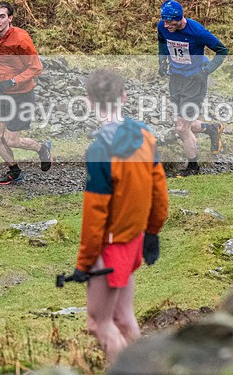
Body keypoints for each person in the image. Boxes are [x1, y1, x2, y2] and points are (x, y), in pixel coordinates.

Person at [72, 69, 168, 362]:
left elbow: (95, 214)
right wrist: (152, 232)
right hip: (133, 240)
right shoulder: (144, 135)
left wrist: (84, 264)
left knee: (99, 324)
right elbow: (159, 191)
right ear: (124, 97)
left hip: (109, 248)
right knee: (124, 319)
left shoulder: (100, 150)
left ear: (89, 101)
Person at [0, 2, 53, 185]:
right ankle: (15, 172)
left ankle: (42, 148)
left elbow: (36, 68)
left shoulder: (21, 39)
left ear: (10, 18)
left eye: (2, 16)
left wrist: (13, 81)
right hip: (1, 93)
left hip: (22, 94)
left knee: (12, 140)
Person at [157, 0, 228, 177]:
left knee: (181, 128)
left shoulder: (197, 31)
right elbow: (162, 42)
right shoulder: (163, 27)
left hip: (195, 82)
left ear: (179, 18)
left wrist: (205, 72)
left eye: (170, 22)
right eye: (164, 21)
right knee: (182, 123)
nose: (166, 25)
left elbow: (222, 51)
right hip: (176, 79)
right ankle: (213, 129)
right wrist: (162, 60)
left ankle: (193, 168)